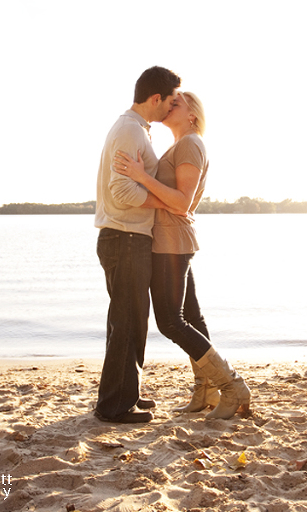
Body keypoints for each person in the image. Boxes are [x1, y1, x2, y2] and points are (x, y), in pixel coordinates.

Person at [114, 92, 251, 420]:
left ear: (193, 115)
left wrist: (140, 176)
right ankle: (205, 390)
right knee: (192, 317)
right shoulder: (181, 145)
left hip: (171, 242)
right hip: (173, 239)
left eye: (178, 103)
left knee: (171, 321)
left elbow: (182, 201)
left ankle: (231, 386)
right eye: (169, 101)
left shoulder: (190, 144)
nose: (170, 104)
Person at [94, 66, 181, 424]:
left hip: (128, 238)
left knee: (132, 320)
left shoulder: (134, 129)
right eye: (171, 101)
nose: (172, 108)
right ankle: (114, 406)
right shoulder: (130, 130)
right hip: (124, 237)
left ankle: (126, 393)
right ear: (155, 98)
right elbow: (122, 190)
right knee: (127, 321)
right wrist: (167, 202)